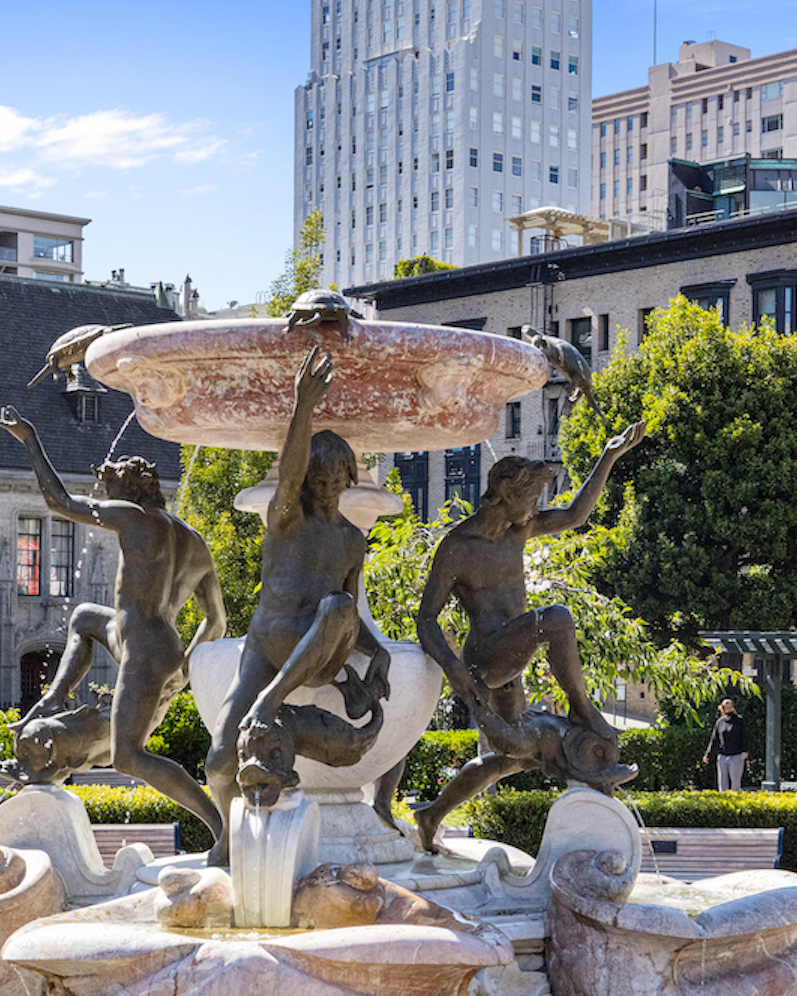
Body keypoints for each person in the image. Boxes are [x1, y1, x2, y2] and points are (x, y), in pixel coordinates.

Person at [408, 420, 647, 853]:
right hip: (485, 656)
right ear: (506, 497)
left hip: (511, 656)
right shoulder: (457, 547)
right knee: (555, 618)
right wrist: (454, 669)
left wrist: (608, 456)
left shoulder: (519, 531)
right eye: (532, 499)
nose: (536, 510)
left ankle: (431, 814)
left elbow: (576, 515)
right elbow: (426, 619)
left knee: (511, 759)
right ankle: (584, 713)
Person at [0, 405, 224, 840]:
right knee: (84, 617)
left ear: (128, 489)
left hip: (143, 648)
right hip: (157, 642)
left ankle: (218, 824)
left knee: (128, 756)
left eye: (109, 486)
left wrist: (31, 439)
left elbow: (58, 502)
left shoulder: (130, 517)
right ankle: (53, 699)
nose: (104, 494)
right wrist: (185, 669)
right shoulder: (195, 542)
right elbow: (216, 623)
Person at [202, 350, 390, 852]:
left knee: (337, 607)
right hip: (266, 650)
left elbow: (348, 617)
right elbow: (285, 475)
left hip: (318, 658)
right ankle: (227, 841)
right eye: (319, 482)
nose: (327, 491)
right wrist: (303, 404)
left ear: (350, 479)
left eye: (336, 483)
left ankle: (272, 700)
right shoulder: (286, 519)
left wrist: (380, 653)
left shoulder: (353, 538)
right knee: (219, 761)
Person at [707, 699, 748, 791]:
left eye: (731, 707)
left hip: (736, 755)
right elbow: (714, 739)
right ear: (723, 709)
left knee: (735, 782)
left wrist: (745, 751)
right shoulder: (720, 722)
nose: (729, 710)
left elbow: (744, 736)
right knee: (722, 782)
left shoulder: (739, 721)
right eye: (727, 708)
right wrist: (708, 754)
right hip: (723, 755)